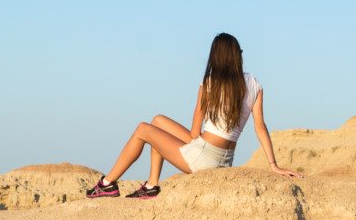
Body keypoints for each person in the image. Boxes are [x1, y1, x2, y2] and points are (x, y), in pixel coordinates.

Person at [86, 33, 303, 199]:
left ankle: (106, 184)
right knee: (158, 121)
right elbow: (260, 127)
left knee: (144, 129)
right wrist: (273, 164)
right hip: (224, 160)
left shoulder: (209, 83)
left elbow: (194, 133)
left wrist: (191, 145)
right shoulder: (253, 83)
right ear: (237, 56)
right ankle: (152, 185)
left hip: (203, 158)